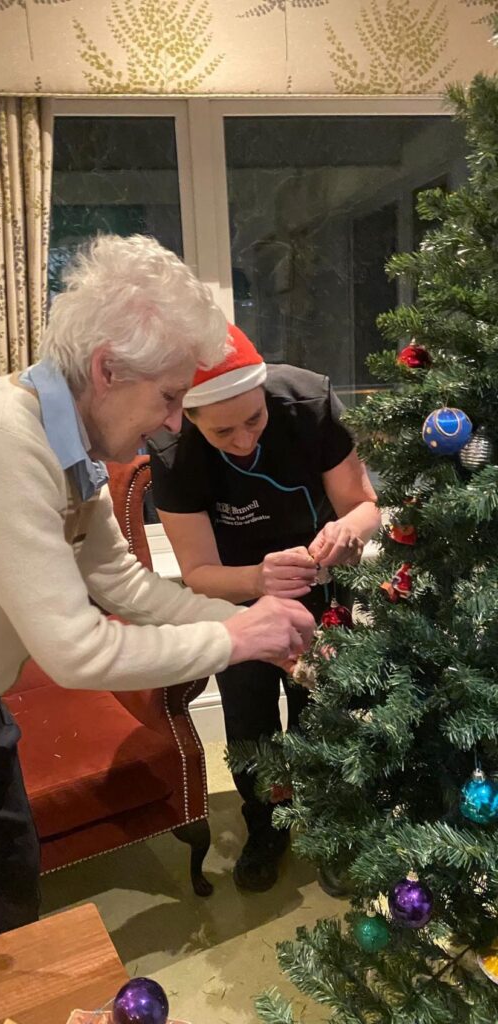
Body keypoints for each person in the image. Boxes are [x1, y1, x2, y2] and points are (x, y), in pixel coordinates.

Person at [0, 236, 316, 958]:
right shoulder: (1, 442)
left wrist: (248, 619)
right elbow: (75, 650)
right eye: (168, 398)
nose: (173, 422)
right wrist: (239, 640)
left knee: (10, 901)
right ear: (107, 370)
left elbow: (123, 585)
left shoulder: (66, 441)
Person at [148, 325, 381, 893]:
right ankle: (266, 829)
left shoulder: (307, 403)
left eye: (254, 419)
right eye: (223, 429)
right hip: (235, 597)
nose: (244, 438)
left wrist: (345, 531)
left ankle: (329, 825)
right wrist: (258, 578)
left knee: (322, 710)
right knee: (249, 719)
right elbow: (198, 571)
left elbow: (363, 506)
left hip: (322, 586)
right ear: (191, 420)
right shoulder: (174, 451)